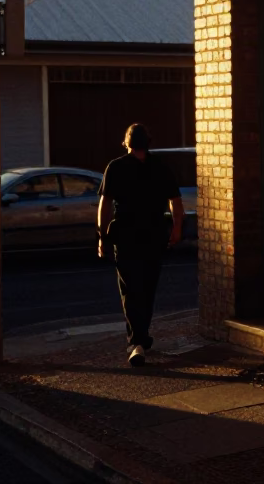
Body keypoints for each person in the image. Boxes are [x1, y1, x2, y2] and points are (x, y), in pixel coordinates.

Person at [96, 123, 183, 367]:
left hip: (125, 235)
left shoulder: (115, 167)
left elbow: (105, 205)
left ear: (126, 143)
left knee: (129, 289)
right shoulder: (161, 167)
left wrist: (102, 237)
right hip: (154, 233)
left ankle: (136, 342)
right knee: (147, 288)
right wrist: (176, 229)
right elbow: (175, 202)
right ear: (149, 142)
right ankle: (141, 338)